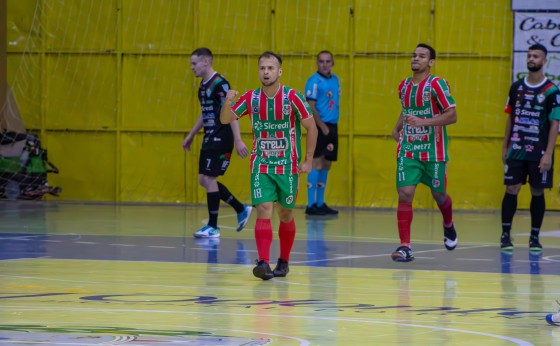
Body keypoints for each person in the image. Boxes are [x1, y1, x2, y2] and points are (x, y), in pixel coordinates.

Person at [220, 51, 318, 280]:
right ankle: (263, 263)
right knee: (263, 209)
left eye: (270, 68)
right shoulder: (250, 98)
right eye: (262, 68)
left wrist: (309, 160)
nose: (266, 72)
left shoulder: (293, 97)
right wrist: (228, 100)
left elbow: (311, 128)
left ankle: (283, 260)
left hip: (288, 165)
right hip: (261, 164)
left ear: (279, 71)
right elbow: (226, 119)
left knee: (285, 213)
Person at [390, 43, 458, 262]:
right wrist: (397, 128)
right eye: (414, 55)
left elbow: (452, 115)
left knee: (439, 195)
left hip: (434, 152)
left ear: (431, 62)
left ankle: (448, 224)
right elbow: (406, 110)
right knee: (405, 194)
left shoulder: (437, 85)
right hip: (409, 149)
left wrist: (424, 122)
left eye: (421, 56)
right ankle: (405, 246)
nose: (415, 59)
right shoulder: (403, 86)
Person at [182, 47, 252, 239]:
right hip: (209, 136)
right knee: (204, 179)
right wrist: (191, 134)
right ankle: (241, 208)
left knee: (209, 179)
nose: (192, 68)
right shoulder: (203, 87)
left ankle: (213, 227)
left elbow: (231, 112)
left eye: (194, 63)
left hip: (222, 136)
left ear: (206, 62)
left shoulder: (220, 84)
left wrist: (238, 140)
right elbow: (206, 114)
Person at [500, 43, 560, 252]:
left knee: (537, 191)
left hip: (539, 151)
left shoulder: (551, 90)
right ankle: (505, 235)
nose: (531, 59)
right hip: (516, 148)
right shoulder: (516, 87)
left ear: (544, 61)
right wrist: (505, 145)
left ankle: (534, 237)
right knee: (511, 188)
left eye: (536, 56)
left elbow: (555, 124)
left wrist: (549, 154)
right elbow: (510, 118)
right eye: (529, 55)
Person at [304, 50, 341, 216]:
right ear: (317, 63)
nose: (325, 64)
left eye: (328, 61)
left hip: (332, 126)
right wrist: (321, 126)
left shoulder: (335, 80)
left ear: (332, 63)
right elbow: (311, 106)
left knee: (326, 163)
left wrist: (330, 128)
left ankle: (320, 203)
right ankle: (311, 204)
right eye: (321, 61)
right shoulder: (313, 81)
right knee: (317, 163)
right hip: (320, 127)